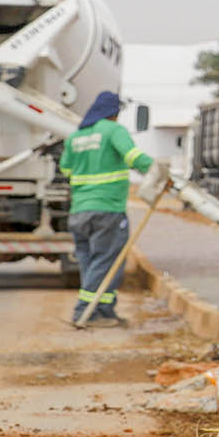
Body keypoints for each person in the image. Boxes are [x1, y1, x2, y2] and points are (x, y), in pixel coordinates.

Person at [58, 90, 157, 327]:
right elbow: (133, 156)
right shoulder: (113, 131)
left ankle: (104, 311)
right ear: (114, 112)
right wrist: (158, 170)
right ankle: (85, 312)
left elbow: (65, 169)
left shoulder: (76, 137)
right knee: (108, 262)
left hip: (79, 211)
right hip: (107, 210)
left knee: (90, 263)